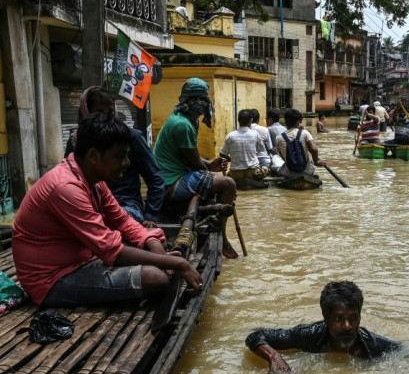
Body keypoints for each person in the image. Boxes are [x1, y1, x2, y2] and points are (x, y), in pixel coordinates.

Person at [12, 112, 203, 307]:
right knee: (154, 277)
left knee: (151, 259)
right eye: (120, 157)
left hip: (82, 261)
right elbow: (113, 251)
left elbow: (121, 220)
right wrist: (174, 263)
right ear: (94, 156)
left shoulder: (93, 181)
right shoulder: (65, 188)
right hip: (51, 281)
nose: (126, 163)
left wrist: (152, 241)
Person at [153, 78, 239, 259]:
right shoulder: (182, 124)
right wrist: (208, 168)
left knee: (218, 180)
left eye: (203, 100)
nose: (200, 104)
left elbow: (193, 156)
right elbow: (194, 163)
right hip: (169, 185)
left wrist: (209, 164)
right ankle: (222, 236)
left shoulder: (188, 121)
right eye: (196, 99)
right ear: (187, 100)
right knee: (229, 184)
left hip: (173, 178)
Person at [245, 281, 401, 373]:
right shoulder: (308, 335)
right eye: (339, 319)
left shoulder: (373, 345)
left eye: (353, 318)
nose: (347, 326)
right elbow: (256, 336)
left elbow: (404, 352)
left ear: (360, 318)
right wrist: (274, 357)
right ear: (326, 318)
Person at [64, 87, 166, 228]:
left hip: (126, 205)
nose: (107, 116)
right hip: (89, 205)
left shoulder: (130, 137)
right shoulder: (76, 141)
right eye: (99, 112)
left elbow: (155, 177)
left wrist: (150, 215)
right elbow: (71, 177)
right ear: (86, 111)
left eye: (110, 112)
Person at [219, 109, 269, 187]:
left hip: (236, 173)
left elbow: (221, 154)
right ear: (251, 121)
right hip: (253, 172)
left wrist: (230, 159)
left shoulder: (230, 136)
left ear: (238, 120)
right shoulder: (255, 134)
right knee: (265, 168)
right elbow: (261, 150)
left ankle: (240, 182)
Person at [274, 108, 326, 177]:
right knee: (310, 166)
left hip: (289, 173)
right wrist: (316, 161)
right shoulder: (305, 133)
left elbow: (282, 156)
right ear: (298, 122)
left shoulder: (278, 138)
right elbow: (314, 149)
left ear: (285, 121)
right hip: (307, 172)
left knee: (275, 165)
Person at [265, 108, 286, 173]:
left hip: (276, 157)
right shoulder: (284, 128)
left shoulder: (268, 130)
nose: (266, 121)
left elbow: (269, 148)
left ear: (270, 119)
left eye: (266, 119)